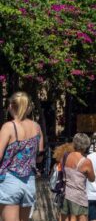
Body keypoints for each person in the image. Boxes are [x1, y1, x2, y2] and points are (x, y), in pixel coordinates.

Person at [0, 92, 44, 221]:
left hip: (9, 179)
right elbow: (40, 157)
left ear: (11, 106)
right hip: (29, 181)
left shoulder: (8, 127)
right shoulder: (36, 127)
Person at [61, 133, 96, 221]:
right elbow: (92, 179)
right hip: (78, 196)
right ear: (86, 145)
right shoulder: (86, 161)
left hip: (66, 194)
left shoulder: (66, 156)